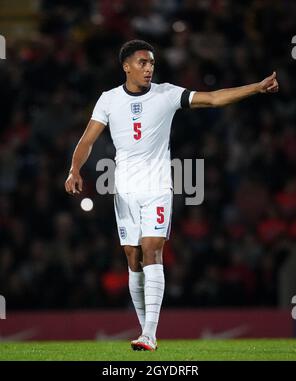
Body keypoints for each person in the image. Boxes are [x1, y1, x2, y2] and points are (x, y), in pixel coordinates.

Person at [65, 40, 279, 351]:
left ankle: (149, 334)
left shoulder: (166, 94)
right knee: (133, 259)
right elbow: (86, 141)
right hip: (124, 189)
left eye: (151, 62)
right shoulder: (108, 100)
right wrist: (74, 170)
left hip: (157, 187)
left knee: (152, 250)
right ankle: (143, 330)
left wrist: (256, 88)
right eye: (142, 62)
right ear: (126, 66)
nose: (149, 67)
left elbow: (213, 98)